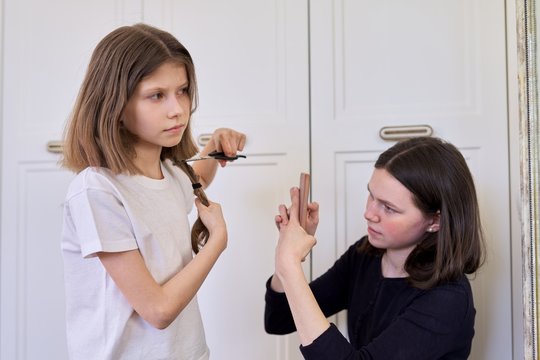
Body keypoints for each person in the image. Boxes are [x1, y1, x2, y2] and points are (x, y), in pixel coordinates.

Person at [60, 23, 246, 360]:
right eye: (156, 95)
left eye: (183, 90)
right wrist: (215, 243)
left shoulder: (171, 173)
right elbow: (158, 310)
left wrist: (215, 145)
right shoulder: (97, 191)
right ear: (114, 103)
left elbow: (195, 179)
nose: (177, 109)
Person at [264, 136, 485, 359]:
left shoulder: (447, 299)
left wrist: (289, 264)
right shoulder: (365, 255)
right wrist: (286, 254)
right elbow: (279, 319)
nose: (369, 213)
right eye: (371, 195)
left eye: (389, 208)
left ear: (435, 221)